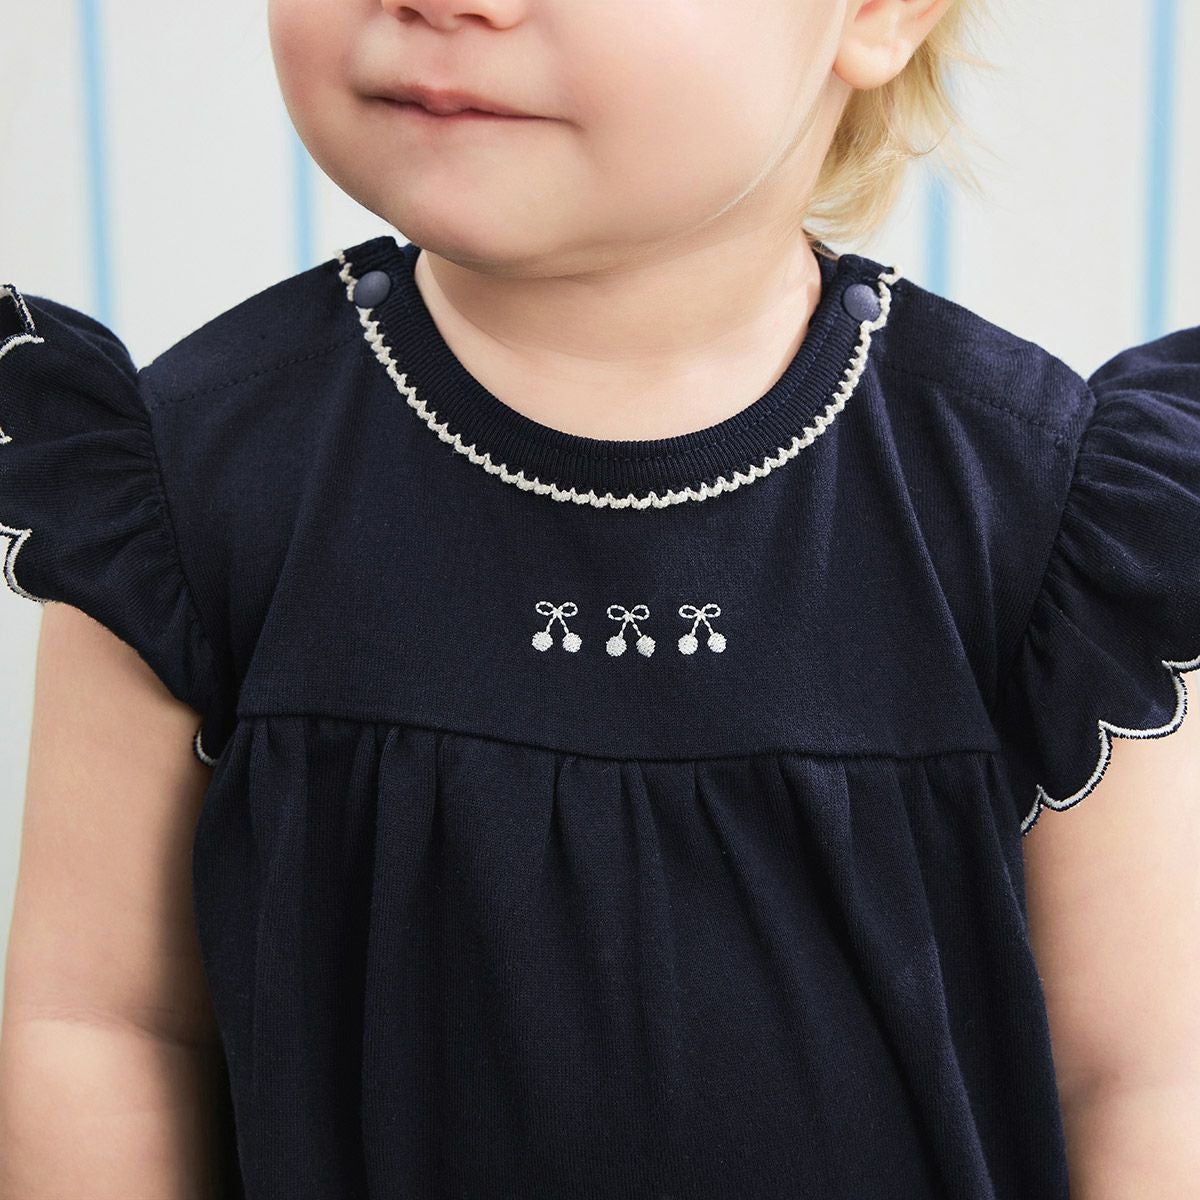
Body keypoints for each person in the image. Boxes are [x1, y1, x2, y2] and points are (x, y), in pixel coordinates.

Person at [1, 0, 1197, 1196]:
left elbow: (1141, 1077)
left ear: (877, 12)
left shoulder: (1034, 511)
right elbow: (101, 1026)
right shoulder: (190, 486)